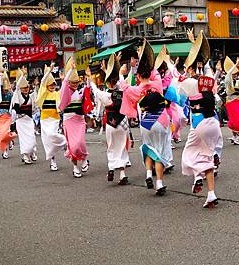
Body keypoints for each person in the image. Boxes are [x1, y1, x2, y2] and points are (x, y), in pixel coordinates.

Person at [120, 42, 174, 196]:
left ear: (138, 76)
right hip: (161, 120)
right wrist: (146, 56)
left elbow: (123, 86)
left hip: (146, 123)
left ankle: (149, 175)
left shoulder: (136, 90)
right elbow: (154, 70)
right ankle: (159, 183)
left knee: (149, 149)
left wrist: (122, 73)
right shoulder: (157, 84)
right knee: (159, 153)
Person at [178, 31, 223, 208]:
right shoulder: (210, 80)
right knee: (207, 157)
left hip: (199, 124)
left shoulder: (189, 84)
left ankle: (197, 177)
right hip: (214, 122)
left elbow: (178, 82)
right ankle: (211, 194)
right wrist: (195, 45)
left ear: (190, 68)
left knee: (189, 155)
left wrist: (193, 47)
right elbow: (207, 69)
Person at [88, 53, 131, 185]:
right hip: (123, 122)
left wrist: (90, 77)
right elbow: (122, 81)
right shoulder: (123, 91)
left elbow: (94, 89)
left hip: (111, 123)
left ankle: (111, 168)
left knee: (111, 147)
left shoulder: (104, 94)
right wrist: (118, 70)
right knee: (123, 147)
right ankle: (122, 174)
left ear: (107, 83)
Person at [59, 57, 92, 178]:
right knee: (72, 146)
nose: (75, 84)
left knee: (80, 143)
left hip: (79, 120)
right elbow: (64, 83)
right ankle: (75, 167)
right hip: (69, 121)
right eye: (73, 82)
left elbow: (87, 90)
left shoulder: (79, 91)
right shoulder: (65, 91)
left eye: (77, 82)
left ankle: (84, 159)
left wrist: (88, 77)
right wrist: (69, 71)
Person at [35, 64, 66, 171]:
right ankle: (53, 161)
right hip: (44, 119)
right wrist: (49, 72)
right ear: (47, 86)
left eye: (54, 85)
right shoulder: (43, 94)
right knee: (47, 141)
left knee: (52, 135)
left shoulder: (57, 94)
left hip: (54, 119)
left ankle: (64, 141)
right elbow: (43, 82)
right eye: (50, 85)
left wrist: (63, 80)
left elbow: (64, 90)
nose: (52, 87)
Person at [11, 68, 38, 165]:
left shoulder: (31, 96)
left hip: (29, 120)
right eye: (24, 88)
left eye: (27, 87)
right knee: (23, 140)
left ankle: (32, 152)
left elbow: (37, 94)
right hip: (21, 120)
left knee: (32, 138)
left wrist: (36, 85)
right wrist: (23, 75)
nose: (26, 89)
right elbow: (17, 87)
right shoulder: (17, 95)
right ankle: (25, 156)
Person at [223, 57, 239, 146]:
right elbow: (228, 73)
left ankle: (235, 137)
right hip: (230, 102)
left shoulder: (237, 81)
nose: (234, 75)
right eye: (233, 74)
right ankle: (235, 137)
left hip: (237, 101)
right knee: (234, 120)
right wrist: (236, 64)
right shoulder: (228, 80)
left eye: (235, 74)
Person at [0, 70, 16, 159]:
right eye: (4, 88)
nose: (5, 90)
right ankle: (6, 148)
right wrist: (1, 77)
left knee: (6, 134)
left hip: (7, 116)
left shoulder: (11, 94)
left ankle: (6, 151)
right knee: (1, 135)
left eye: (7, 88)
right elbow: (0, 86)